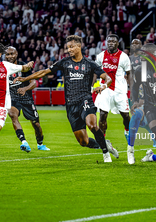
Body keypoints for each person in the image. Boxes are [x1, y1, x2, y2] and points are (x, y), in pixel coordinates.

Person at [13, 35, 118, 163]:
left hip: (85, 100)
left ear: (79, 46)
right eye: (68, 48)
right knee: (83, 142)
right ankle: (105, 144)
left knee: (92, 124)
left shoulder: (90, 64)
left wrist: (104, 86)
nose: (69, 50)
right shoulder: (65, 62)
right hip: (71, 106)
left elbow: (108, 78)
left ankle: (106, 154)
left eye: (72, 46)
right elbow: (44, 72)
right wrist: (25, 79)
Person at [95, 34, 132, 163]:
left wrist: (131, 89)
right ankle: (104, 145)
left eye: (113, 41)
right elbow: (95, 72)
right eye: (109, 41)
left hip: (120, 91)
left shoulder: (123, 57)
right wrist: (92, 86)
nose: (111, 43)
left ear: (118, 43)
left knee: (126, 116)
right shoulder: (100, 56)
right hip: (105, 90)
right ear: (106, 42)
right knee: (103, 116)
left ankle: (127, 132)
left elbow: (129, 74)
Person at [5, 46, 50, 152]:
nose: (10, 56)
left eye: (12, 54)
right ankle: (24, 142)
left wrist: (25, 88)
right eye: (8, 54)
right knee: (13, 115)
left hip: (26, 99)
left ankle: (40, 144)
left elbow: (34, 83)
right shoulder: (3, 68)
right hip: (12, 98)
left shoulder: (23, 67)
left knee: (36, 124)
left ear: (16, 54)